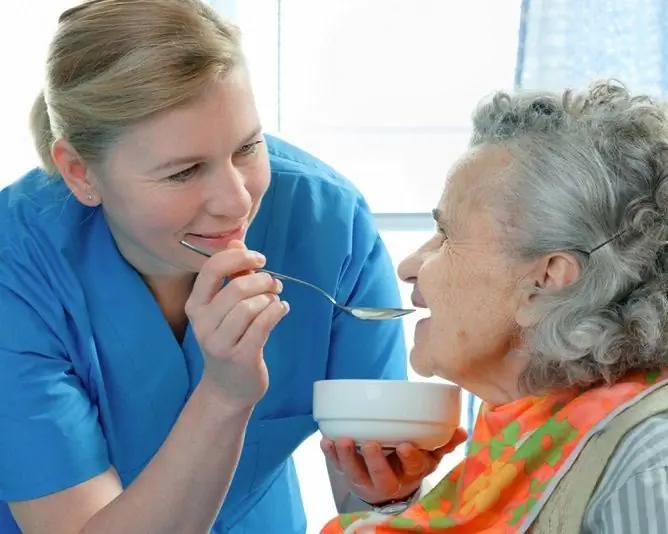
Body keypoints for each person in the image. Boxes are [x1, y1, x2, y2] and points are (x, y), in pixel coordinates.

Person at [0, 1, 462, 533]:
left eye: (248, 147)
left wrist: (388, 492)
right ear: (81, 173)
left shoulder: (327, 224)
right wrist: (225, 393)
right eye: (185, 172)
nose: (237, 201)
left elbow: (365, 487)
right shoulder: (18, 267)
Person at [322, 80, 668, 533]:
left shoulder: (647, 465)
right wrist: (393, 504)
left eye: (446, 236)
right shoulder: (528, 429)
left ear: (544, 281)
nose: (409, 267)